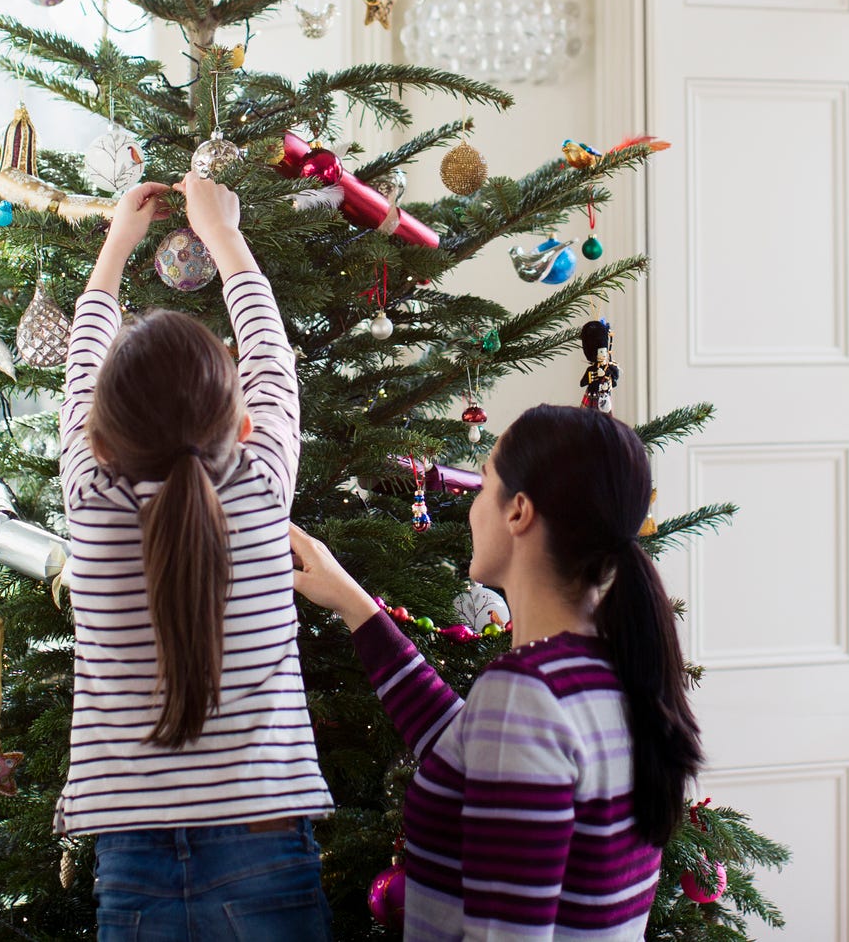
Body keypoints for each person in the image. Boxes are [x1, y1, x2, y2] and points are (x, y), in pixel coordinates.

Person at [290, 404, 702, 940]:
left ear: (519, 512)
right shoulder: (613, 670)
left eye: (483, 485)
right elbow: (461, 743)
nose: (469, 506)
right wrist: (353, 604)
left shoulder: (527, 693)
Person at [56, 175, 333, 942]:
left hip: (131, 856)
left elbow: (80, 371)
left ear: (100, 440)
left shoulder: (90, 499)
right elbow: (274, 361)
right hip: (266, 844)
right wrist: (223, 235)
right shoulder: (262, 484)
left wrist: (116, 245)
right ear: (242, 423)